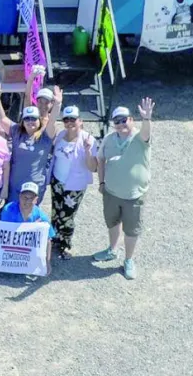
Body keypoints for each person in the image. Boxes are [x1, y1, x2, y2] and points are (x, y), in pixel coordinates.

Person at [92, 100, 154, 280]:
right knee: (112, 222)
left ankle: (128, 260)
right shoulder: (109, 139)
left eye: (123, 120)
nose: (120, 124)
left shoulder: (139, 138)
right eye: (116, 121)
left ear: (131, 120)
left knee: (132, 229)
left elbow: (146, 133)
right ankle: (112, 250)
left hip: (134, 194)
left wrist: (147, 119)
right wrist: (102, 183)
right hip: (111, 192)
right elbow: (101, 160)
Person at [0, 82, 60, 204]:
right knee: (12, 215)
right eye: (27, 118)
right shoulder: (16, 131)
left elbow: (52, 120)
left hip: (35, 186)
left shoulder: (45, 136)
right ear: (23, 121)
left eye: (34, 118)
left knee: (29, 218)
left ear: (39, 120)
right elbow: (2, 118)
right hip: (15, 185)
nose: (30, 121)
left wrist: (58, 104)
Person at [49, 106, 97, 261]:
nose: (69, 123)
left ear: (80, 121)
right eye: (66, 119)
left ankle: (64, 244)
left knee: (67, 217)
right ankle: (54, 239)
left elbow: (93, 167)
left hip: (74, 186)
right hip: (57, 181)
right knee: (56, 213)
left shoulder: (88, 139)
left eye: (73, 119)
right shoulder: (61, 135)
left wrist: (88, 151)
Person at [0, 181, 56, 272]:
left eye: (31, 198)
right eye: (25, 197)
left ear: (36, 199)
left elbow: (48, 240)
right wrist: (32, 227)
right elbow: (4, 232)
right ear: (19, 197)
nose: (27, 201)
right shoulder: (8, 209)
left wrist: (47, 262)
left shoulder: (41, 216)